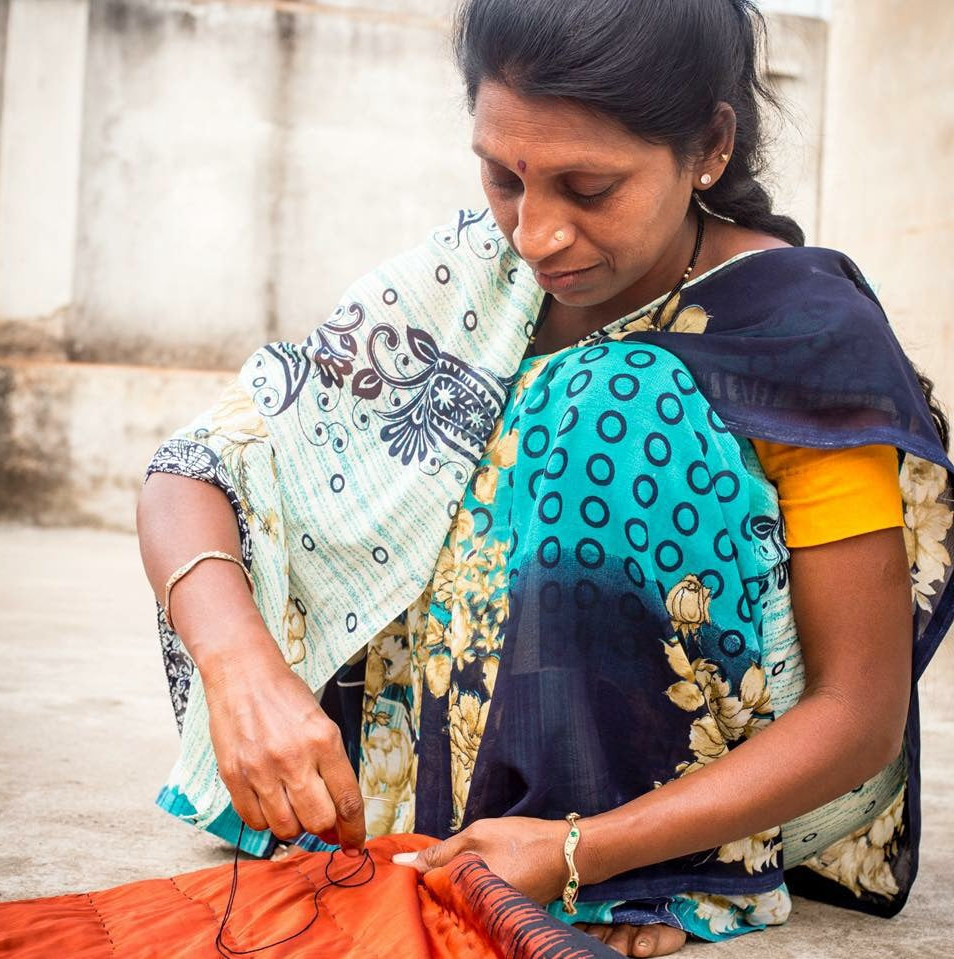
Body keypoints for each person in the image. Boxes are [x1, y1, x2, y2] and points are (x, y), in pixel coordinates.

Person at [136, 1, 953, 955]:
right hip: (417, 797)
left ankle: (638, 870)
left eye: (588, 187)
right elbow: (198, 467)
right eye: (503, 176)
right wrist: (244, 676)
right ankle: (463, 815)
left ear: (710, 148)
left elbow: (859, 713)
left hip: (696, 807)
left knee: (612, 401)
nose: (534, 235)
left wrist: (582, 849)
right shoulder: (470, 278)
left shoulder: (800, 335)